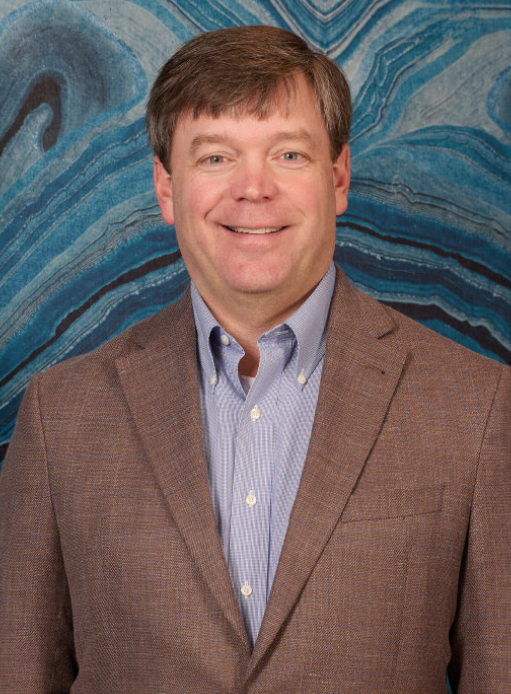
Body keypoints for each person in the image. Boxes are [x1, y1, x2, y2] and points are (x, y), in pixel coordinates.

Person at [0, 25, 509, 694]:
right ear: (164, 187)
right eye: (215, 157)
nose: (253, 189)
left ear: (337, 178)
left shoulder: (475, 407)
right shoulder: (61, 416)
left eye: (289, 155)